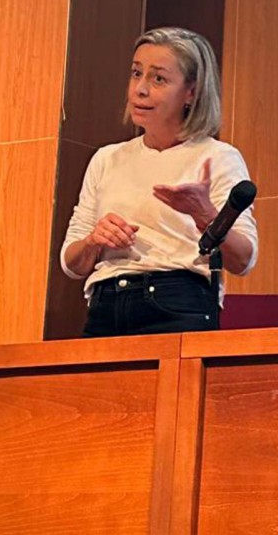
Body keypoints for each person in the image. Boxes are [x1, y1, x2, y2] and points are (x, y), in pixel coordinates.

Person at [60, 27, 258, 336]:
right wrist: (94, 240)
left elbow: (244, 260)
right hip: (106, 304)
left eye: (158, 79)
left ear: (191, 92)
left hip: (178, 302)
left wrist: (205, 214)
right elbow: (71, 264)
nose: (140, 89)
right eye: (136, 73)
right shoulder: (106, 158)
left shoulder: (218, 157)